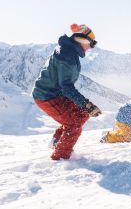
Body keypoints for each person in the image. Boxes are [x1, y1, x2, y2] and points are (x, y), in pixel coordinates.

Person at [32, 24, 102, 160]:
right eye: (89, 43)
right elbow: (67, 87)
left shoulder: (68, 49)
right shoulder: (67, 56)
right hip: (46, 96)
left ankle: (58, 142)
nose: (89, 48)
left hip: (55, 93)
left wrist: (86, 107)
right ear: (81, 40)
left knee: (82, 114)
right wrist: (86, 104)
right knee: (74, 125)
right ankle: (59, 159)